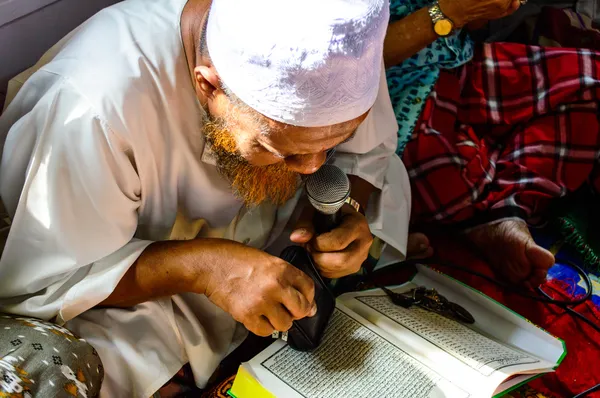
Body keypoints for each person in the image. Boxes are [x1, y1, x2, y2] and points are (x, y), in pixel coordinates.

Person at [0, 0, 410, 396]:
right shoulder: (95, 107)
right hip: (145, 297)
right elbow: (55, 277)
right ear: (208, 85)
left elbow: (368, 155)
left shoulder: (335, 50)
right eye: (285, 151)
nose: (311, 168)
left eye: (334, 141)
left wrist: (340, 212)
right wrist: (207, 268)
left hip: (279, 246)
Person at [384, 0, 600, 286]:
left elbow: (474, 23)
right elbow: (355, 61)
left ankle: (500, 205)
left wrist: (487, 8)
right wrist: (449, 12)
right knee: (442, 177)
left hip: (458, 64)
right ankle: (485, 216)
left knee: (589, 78)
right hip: (397, 92)